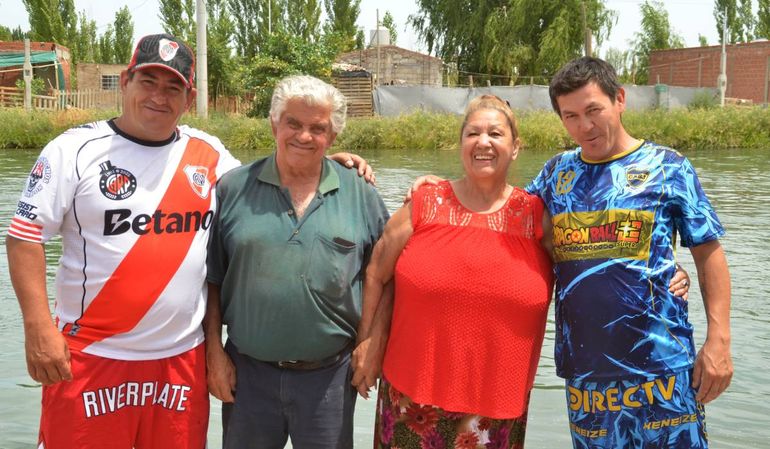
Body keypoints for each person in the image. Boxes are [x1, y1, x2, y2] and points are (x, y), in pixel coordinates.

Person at [5, 34, 370, 449]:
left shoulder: (210, 154)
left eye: (173, 87)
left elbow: (275, 177)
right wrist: (37, 329)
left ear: (189, 95)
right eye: (148, 82)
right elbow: (24, 237)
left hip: (180, 361)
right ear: (125, 81)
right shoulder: (72, 150)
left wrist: (328, 162)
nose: (159, 97)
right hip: (92, 357)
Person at [525, 56, 732, 449]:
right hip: (587, 376)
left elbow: (709, 254)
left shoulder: (669, 167)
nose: (584, 126)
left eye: (593, 110)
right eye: (570, 116)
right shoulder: (555, 175)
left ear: (619, 99)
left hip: (664, 370)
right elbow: (503, 214)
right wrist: (439, 189)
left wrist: (718, 341)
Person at [353, 95, 554, 449]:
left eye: (496, 133)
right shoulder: (426, 203)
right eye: (472, 133)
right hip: (411, 400)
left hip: (497, 408)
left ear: (516, 147)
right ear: (460, 144)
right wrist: (367, 340)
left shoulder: (536, 216)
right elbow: (376, 271)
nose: (483, 142)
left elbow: (587, 269)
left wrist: (663, 272)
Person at [203, 74, 390, 449]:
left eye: (317, 128)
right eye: (293, 123)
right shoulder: (232, 188)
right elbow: (212, 280)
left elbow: (386, 277)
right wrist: (214, 352)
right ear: (274, 123)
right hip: (248, 374)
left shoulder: (360, 192)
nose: (303, 136)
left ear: (332, 136)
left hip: (330, 379)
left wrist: (373, 342)